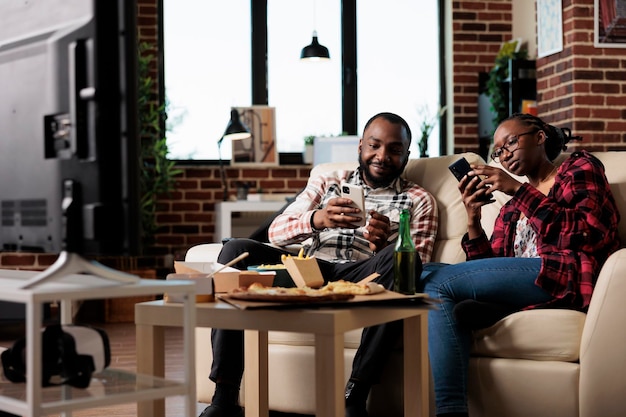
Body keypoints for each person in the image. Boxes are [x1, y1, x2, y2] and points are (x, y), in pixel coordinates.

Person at [199, 112, 438, 417]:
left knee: (403, 258)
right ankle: (224, 397)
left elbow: (418, 266)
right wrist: (317, 219)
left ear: (407, 154)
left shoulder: (419, 199)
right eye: (374, 146)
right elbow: (276, 232)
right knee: (236, 249)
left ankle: (354, 397)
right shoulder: (329, 180)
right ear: (360, 146)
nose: (382, 156)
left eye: (394, 149)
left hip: (363, 273)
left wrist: (386, 245)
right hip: (309, 268)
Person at [421, 112, 621, 417]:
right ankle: (494, 310)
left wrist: (516, 188)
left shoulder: (578, 167)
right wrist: (473, 220)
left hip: (566, 275)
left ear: (539, 137)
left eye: (511, 143)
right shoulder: (511, 210)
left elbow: (586, 232)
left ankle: (450, 412)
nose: (505, 155)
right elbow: (488, 270)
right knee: (431, 276)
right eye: (499, 151)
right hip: (521, 282)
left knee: (437, 280)